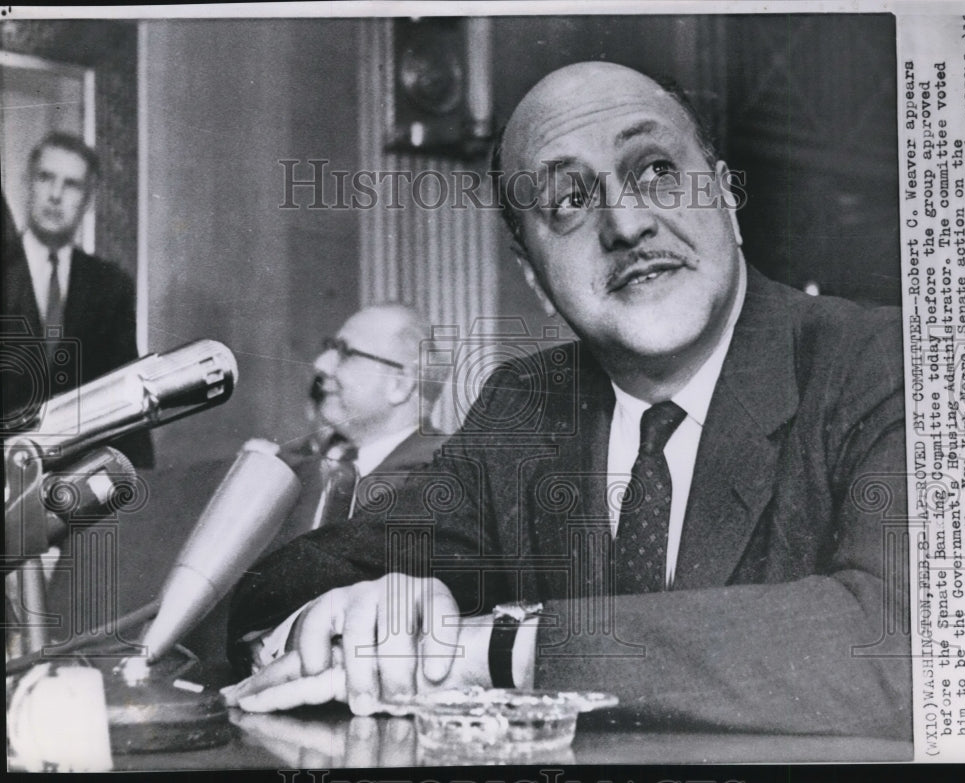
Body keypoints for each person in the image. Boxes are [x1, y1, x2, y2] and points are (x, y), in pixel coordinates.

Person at [224, 62, 909, 739]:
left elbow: (917, 642)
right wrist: (380, 611)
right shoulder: (525, 409)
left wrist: (506, 647)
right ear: (535, 277)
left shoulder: (883, 362)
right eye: (569, 200)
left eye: (657, 171)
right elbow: (284, 584)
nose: (627, 222)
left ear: (727, 199)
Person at [227, 303, 447, 674]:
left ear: (401, 384)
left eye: (345, 352)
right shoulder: (289, 460)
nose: (322, 364)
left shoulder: (442, 476)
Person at [1, 133, 153, 468]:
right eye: (45, 178)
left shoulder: (111, 287)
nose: (55, 195)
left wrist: (138, 482)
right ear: (28, 183)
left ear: (88, 199)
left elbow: (126, 393)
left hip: (76, 486)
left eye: (71, 185)